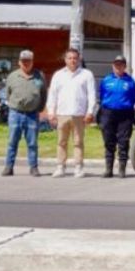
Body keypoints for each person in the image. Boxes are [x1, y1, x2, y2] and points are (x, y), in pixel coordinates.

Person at [46, 48, 96, 179]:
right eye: (70, 58)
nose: (72, 60)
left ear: (79, 59)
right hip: (62, 114)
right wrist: (51, 112)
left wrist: (90, 112)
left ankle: (78, 167)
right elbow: (52, 95)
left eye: (75, 58)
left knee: (78, 142)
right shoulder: (58, 75)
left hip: (79, 114)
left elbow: (91, 95)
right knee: (61, 142)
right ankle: (60, 167)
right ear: (65, 60)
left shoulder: (87, 74)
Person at [2, 50, 46, 177]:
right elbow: (8, 94)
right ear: (19, 62)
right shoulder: (12, 76)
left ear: (32, 62)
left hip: (32, 114)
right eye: (23, 61)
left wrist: (39, 108)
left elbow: (43, 94)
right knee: (12, 142)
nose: (26, 63)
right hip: (15, 114)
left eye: (28, 61)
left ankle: (34, 168)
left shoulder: (39, 76)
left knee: (32, 143)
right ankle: (8, 167)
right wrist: (15, 105)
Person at [97, 55, 135, 179]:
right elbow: (101, 96)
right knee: (109, 141)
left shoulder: (130, 81)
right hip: (108, 113)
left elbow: (133, 97)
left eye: (121, 64)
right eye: (116, 64)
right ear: (113, 66)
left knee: (123, 141)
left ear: (125, 66)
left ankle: (122, 169)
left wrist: (125, 106)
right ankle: (108, 169)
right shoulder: (106, 80)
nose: (118, 67)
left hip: (125, 114)